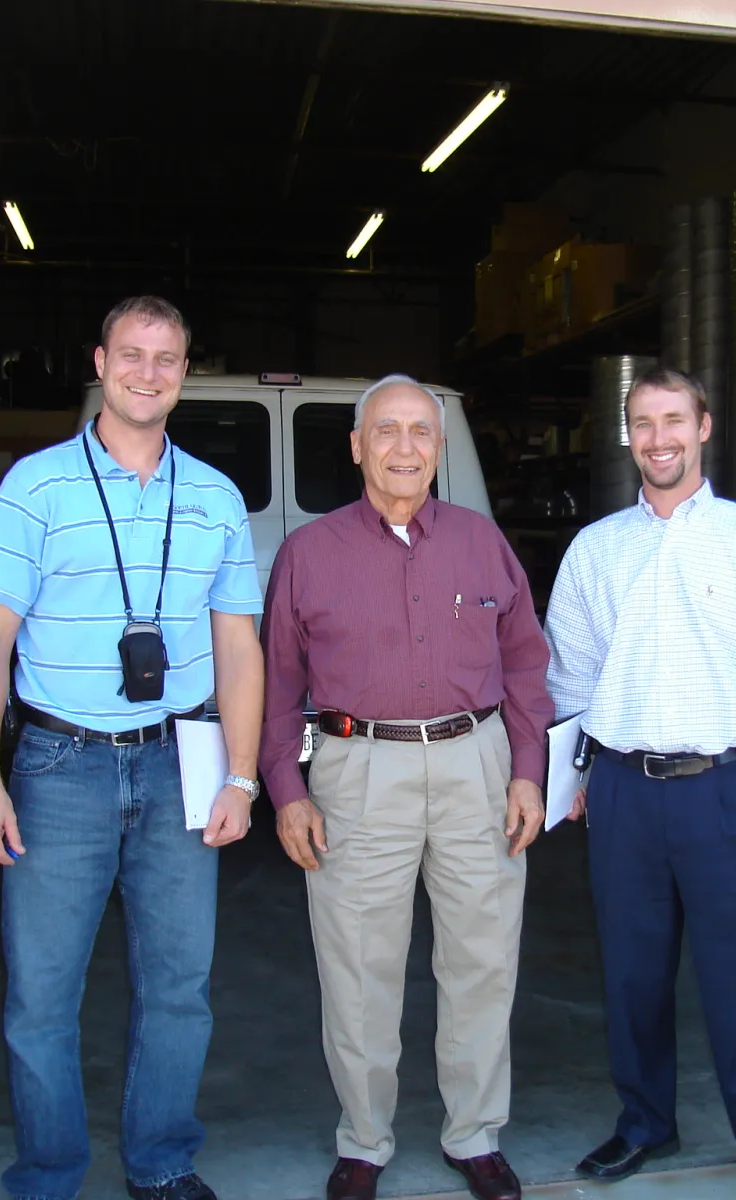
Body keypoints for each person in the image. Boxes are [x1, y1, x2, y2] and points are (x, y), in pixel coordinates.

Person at [0, 295, 266, 1200]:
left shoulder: (213, 496)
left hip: (180, 759)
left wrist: (242, 776)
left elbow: (239, 646)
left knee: (181, 987)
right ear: (99, 361)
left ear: (184, 372)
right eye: (131, 355)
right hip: (60, 767)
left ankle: (162, 1162)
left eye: (165, 358)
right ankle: (50, 1174)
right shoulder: (37, 484)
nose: (147, 372)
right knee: (41, 998)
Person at [259, 375, 556, 1200]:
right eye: (385, 431)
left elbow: (529, 665)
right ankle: (364, 1140)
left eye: (421, 432)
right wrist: (287, 789)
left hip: (477, 763)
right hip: (358, 772)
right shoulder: (308, 553)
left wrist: (528, 771)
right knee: (357, 964)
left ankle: (475, 1134)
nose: (404, 448)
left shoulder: (483, 542)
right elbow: (277, 684)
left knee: (483, 960)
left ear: (440, 445)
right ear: (356, 446)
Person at [543, 367, 736, 1200]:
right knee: (631, 976)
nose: (658, 437)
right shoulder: (597, 548)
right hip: (627, 791)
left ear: (705, 426)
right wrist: (581, 777)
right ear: (626, 434)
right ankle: (645, 1125)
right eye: (642, 422)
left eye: (674, 419)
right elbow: (570, 676)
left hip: (728, 791)